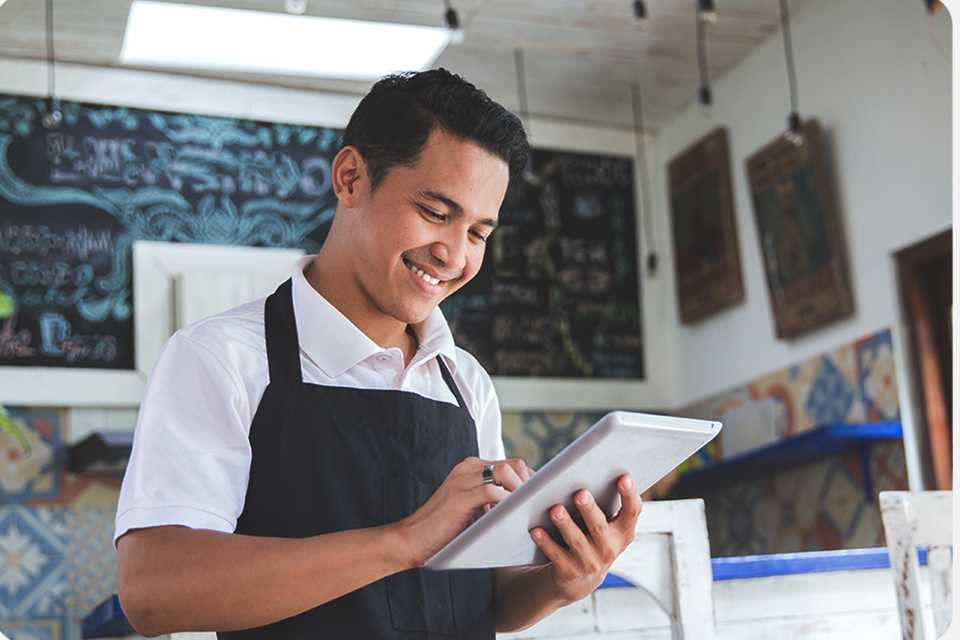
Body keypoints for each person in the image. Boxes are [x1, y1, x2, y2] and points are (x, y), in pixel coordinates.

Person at [114, 68, 643, 639]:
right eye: (436, 213)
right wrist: (403, 541)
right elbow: (154, 591)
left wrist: (562, 582)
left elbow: (479, 600)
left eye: (478, 234)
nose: (453, 255)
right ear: (350, 178)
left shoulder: (465, 382)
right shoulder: (220, 358)